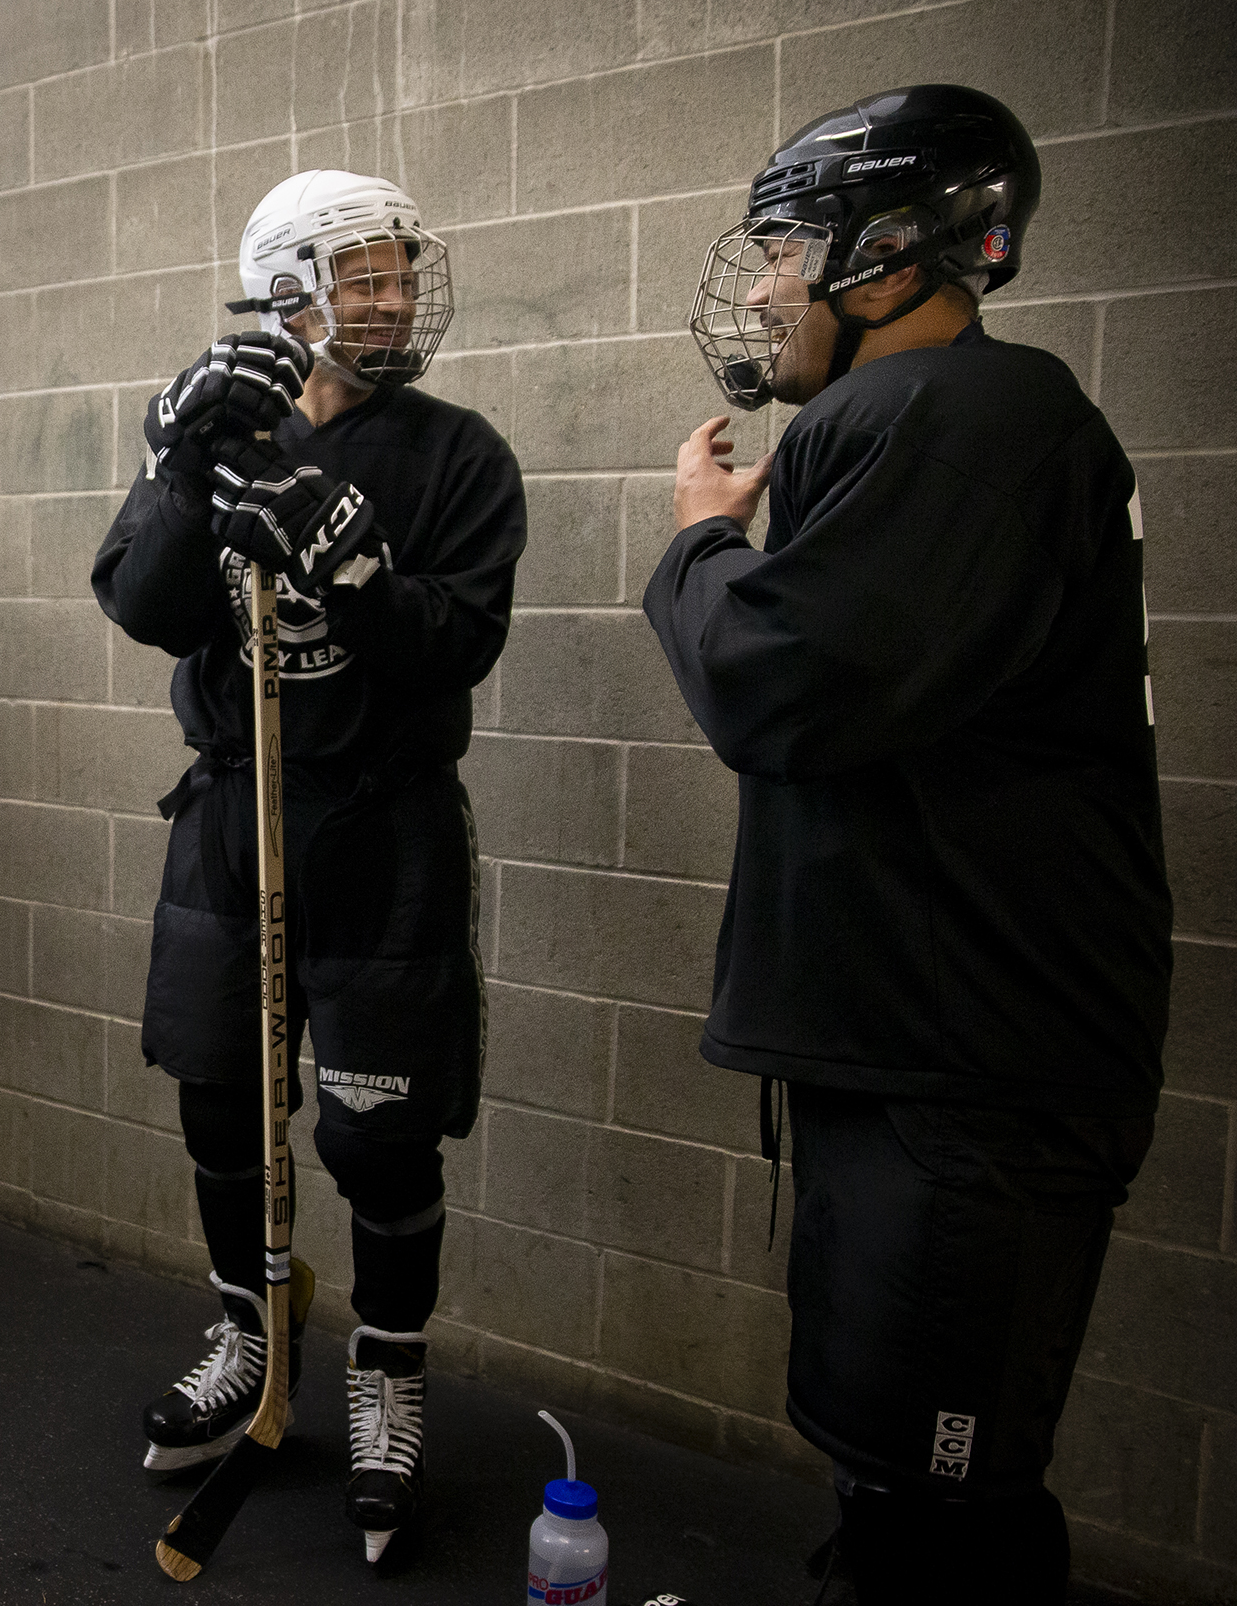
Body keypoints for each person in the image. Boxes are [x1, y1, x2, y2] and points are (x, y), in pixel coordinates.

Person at [645, 84, 1168, 1601]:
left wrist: (696, 546)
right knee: (908, 1484)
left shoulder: (945, 410)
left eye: (788, 248)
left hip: (973, 1078)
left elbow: (779, 683)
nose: (761, 285)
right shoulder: (952, 418)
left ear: (886, 257)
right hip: (945, 1062)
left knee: (945, 1515)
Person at [91, 170, 527, 1563]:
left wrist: (352, 577)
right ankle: (248, 1329)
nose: (398, 299)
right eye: (369, 276)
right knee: (222, 1097)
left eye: (404, 274)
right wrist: (176, 473)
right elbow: (145, 609)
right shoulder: (225, 427)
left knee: (376, 1130)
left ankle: (386, 1369)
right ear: (290, 285)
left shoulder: (459, 454)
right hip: (235, 813)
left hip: (380, 828)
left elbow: (457, 643)